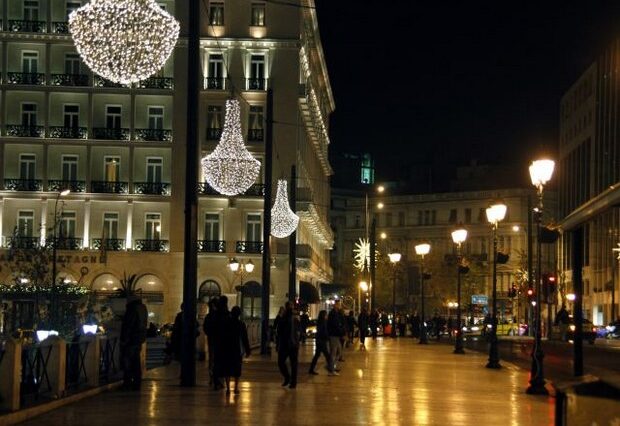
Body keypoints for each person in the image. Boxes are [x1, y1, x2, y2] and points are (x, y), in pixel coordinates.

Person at [120, 294, 147, 390]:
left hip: (131, 340)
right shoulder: (143, 308)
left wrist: (124, 339)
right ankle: (136, 383)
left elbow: (128, 325)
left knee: (128, 361)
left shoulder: (132, 309)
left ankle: (127, 383)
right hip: (139, 339)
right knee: (136, 362)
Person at [222, 306, 251, 395]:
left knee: (227, 369)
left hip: (227, 349)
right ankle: (235, 388)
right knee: (237, 369)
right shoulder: (241, 324)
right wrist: (247, 350)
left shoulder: (226, 323)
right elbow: (245, 338)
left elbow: (223, 337)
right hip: (237, 349)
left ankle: (227, 388)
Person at [277, 301, 300, 388]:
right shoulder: (294, 318)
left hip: (286, 344)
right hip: (291, 344)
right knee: (293, 364)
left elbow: (279, 331)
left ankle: (289, 379)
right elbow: (299, 330)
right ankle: (292, 381)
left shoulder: (284, 318)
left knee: (282, 362)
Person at [308, 310, 336, 375]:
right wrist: (328, 337)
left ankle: (311, 369)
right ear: (324, 315)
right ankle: (331, 369)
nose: (327, 316)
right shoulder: (322, 322)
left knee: (317, 356)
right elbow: (323, 332)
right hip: (321, 341)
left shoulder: (321, 322)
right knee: (327, 356)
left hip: (320, 341)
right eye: (326, 315)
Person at [213, 296, 230, 390]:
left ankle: (216, 381)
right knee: (224, 362)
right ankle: (221, 381)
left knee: (217, 362)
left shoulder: (216, 314)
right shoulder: (227, 314)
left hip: (217, 341)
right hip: (225, 342)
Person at [203, 298, 218, 385]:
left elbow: (205, 328)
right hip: (218, 340)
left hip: (211, 339)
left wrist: (209, 333)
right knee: (217, 358)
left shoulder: (209, 316)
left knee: (212, 359)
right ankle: (216, 377)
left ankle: (212, 377)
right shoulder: (219, 315)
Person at [327, 300, 345, 370]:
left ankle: (332, 366)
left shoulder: (336, 313)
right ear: (335, 305)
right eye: (339, 304)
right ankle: (331, 368)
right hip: (333, 335)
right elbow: (335, 325)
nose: (340, 306)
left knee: (338, 351)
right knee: (334, 352)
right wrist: (341, 333)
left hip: (336, 335)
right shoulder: (333, 313)